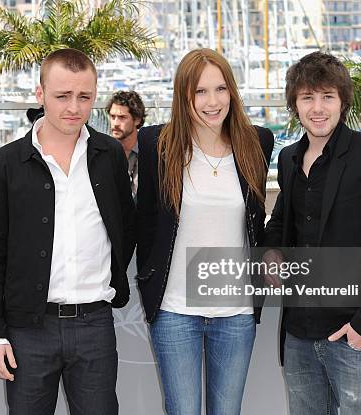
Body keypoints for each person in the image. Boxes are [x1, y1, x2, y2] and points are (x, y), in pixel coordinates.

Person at [0, 48, 135, 415]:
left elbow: (124, 227)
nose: (73, 108)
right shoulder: (6, 162)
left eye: (84, 97)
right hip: (28, 328)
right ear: (40, 94)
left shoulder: (110, 154)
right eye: (62, 96)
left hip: (95, 323)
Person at [264, 51, 361, 415]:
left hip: (354, 337)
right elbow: (280, 224)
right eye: (307, 97)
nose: (318, 108)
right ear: (295, 104)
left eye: (327, 97)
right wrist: (271, 254)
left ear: (342, 101)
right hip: (299, 335)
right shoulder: (289, 159)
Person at [136, 48, 274, 415]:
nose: (212, 102)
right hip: (175, 309)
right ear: (184, 95)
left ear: (232, 91)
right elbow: (145, 221)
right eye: (200, 91)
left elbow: (256, 221)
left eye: (220, 89)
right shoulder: (156, 144)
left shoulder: (257, 142)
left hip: (236, 310)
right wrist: (148, 277)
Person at [106, 90, 146, 198]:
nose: (115, 123)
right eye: (112, 117)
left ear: (137, 120)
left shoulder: (148, 151)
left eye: (122, 117)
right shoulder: (103, 153)